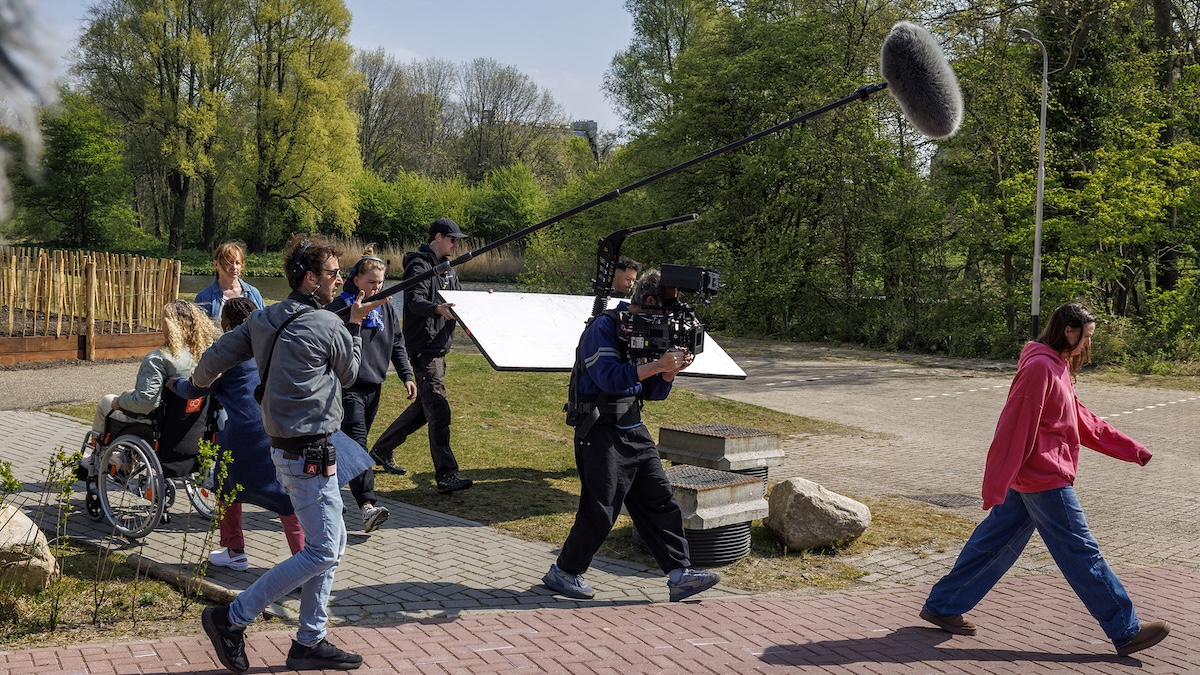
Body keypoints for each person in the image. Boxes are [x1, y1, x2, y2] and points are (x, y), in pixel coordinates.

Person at [919, 302, 1171, 657]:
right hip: (1043, 478)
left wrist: (1131, 449)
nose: (1088, 344)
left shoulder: (1057, 365)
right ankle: (1125, 630)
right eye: (1087, 337)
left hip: (1033, 477)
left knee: (994, 542)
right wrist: (996, 481)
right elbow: (1013, 425)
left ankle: (944, 605)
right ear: (1069, 330)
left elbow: (1080, 417)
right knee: (1081, 551)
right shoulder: (1039, 367)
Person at [193, 234, 384, 673]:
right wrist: (354, 326)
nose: (340, 280)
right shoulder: (329, 324)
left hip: (292, 450)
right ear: (311, 278)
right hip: (308, 453)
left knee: (332, 543)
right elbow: (350, 373)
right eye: (333, 274)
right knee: (323, 550)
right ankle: (231, 617)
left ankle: (309, 640)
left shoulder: (264, 318)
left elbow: (211, 361)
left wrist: (194, 385)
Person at [545, 269, 721, 602]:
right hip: (599, 429)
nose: (668, 319)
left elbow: (652, 392)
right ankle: (564, 571)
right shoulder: (605, 327)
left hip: (633, 427)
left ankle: (680, 575)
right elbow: (608, 377)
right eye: (666, 308)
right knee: (601, 509)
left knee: (660, 501)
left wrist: (668, 373)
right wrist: (657, 366)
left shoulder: (649, 329)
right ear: (650, 300)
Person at [169, 298, 304, 569]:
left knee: (228, 488)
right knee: (283, 496)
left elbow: (197, 388)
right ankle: (303, 560)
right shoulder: (271, 345)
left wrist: (174, 384)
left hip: (245, 431)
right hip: (279, 425)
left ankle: (237, 552)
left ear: (227, 323)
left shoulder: (229, 350)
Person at [371, 217, 472, 494]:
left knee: (424, 408)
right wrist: (437, 309)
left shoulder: (448, 268)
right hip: (424, 348)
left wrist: (481, 301)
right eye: (452, 239)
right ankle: (446, 475)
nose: (455, 244)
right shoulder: (419, 266)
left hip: (439, 347)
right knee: (438, 409)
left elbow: (459, 300)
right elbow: (414, 301)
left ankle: (382, 449)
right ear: (438, 237)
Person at [325, 248, 418, 533]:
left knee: (344, 445)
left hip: (374, 385)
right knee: (357, 444)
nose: (377, 288)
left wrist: (406, 375)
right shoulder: (340, 307)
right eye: (371, 282)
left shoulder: (386, 307)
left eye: (380, 282)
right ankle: (367, 506)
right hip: (347, 386)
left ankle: (328, 494)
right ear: (356, 280)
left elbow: (397, 342)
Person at [90, 300, 222, 436]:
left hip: (156, 426)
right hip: (195, 427)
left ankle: (96, 446)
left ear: (169, 326)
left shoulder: (158, 358)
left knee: (107, 401)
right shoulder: (207, 355)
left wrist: (120, 401)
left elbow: (146, 402)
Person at [194, 241, 265, 320]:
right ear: (216, 264)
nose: (234, 267)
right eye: (228, 263)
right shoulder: (204, 297)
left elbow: (263, 322)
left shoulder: (253, 293)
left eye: (237, 263)